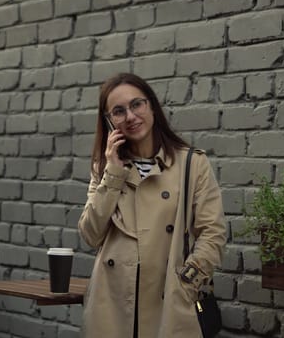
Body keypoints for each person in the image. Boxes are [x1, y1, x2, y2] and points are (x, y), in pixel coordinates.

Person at [78, 73, 227, 338]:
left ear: (151, 106)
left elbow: (213, 232)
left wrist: (185, 283)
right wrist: (112, 173)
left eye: (137, 104)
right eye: (119, 111)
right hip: (112, 303)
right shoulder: (105, 169)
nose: (131, 116)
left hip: (169, 299)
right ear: (109, 121)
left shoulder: (191, 164)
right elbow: (91, 235)